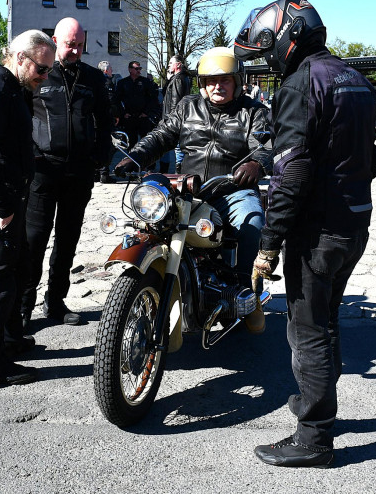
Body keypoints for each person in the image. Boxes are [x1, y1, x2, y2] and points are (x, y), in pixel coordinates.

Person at [236, 0, 376, 468]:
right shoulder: (354, 77)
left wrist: (268, 244)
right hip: (353, 223)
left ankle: (314, 436)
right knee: (327, 320)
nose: (268, 60)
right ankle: (320, 413)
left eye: (268, 48)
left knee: (307, 331)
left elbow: (292, 173)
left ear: (287, 38)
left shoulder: (301, 84)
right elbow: (372, 158)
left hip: (317, 231)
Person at [115, 47, 271, 325]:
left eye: (224, 80)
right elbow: (162, 135)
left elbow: (265, 146)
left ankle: (246, 290)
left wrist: (256, 164)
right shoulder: (188, 106)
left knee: (254, 223)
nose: (217, 86)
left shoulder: (253, 111)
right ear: (202, 83)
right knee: (149, 225)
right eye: (211, 81)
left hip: (231, 190)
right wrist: (134, 156)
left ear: (237, 81)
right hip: (188, 190)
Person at [0, 29, 54, 390]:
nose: (44, 77)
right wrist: (3, 206)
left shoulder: (16, 87)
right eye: (41, 69)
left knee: (11, 276)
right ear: (20, 58)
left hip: (11, 198)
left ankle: (7, 341)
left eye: (48, 70)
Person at [22, 18, 114, 328]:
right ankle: (23, 305)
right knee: (34, 240)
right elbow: (20, 116)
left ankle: (56, 300)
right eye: (68, 43)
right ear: (54, 40)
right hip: (43, 171)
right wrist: (28, 155)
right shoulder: (39, 74)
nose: (73, 49)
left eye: (78, 44)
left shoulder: (92, 78)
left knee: (68, 240)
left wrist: (101, 157)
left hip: (78, 173)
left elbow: (105, 120)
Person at [114, 60, 160, 148]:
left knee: (146, 143)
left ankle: (148, 161)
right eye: (136, 69)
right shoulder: (123, 83)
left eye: (140, 68)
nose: (139, 71)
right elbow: (116, 100)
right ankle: (132, 160)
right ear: (130, 69)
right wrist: (123, 113)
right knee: (131, 144)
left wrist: (146, 113)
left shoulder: (146, 82)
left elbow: (153, 99)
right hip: (129, 117)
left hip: (143, 117)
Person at [159, 55, 192, 173]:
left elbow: (175, 101)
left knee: (177, 148)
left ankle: (179, 173)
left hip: (173, 119)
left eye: (170, 63)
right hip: (175, 118)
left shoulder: (178, 79)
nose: (168, 65)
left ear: (178, 64)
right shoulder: (180, 78)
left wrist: (170, 120)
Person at [97, 61, 120, 184]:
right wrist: (116, 115)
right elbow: (111, 101)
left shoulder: (95, 81)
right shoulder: (107, 83)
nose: (112, 70)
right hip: (107, 118)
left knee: (99, 144)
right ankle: (104, 173)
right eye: (110, 69)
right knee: (110, 145)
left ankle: (97, 172)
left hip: (98, 118)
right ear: (106, 70)